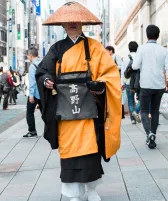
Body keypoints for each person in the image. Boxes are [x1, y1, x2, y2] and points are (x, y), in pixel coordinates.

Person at [35, 2, 121, 201]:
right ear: (63, 25)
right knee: (70, 152)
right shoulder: (56, 49)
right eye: (69, 21)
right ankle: (72, 193)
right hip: (66, 111)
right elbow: (42, 71)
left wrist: (99, 85)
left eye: (76, 21)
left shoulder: (95, 47)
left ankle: (92, 190)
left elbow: (110, 74)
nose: (73, 24)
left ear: (82, 23)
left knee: (91, 151)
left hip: (88, 108)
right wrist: (47, 81)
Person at [132, 24, 168, 149]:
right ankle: (153, 135)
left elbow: (135, 66)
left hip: (145, 84)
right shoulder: (163, 50)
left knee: (144, 110)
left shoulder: (142, 49)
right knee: (155, 111)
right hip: (159, 85)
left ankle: (149, 134)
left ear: (146, 35)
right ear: (158, 36)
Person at [23, 47, 41, 138]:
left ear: (30, 55)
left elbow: (32, 82)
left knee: (29, 112)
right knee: (45, 113)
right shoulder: (43, 63)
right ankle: (51, 130)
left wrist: (31, 95)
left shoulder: (32, 66)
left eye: (28, 56)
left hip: (35, 94)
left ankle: (32, 131)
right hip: (44, 93)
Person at [121, 41, 141, 124]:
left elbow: (123, 71)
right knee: (141, 99)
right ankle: (136, 111)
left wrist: (122, 83)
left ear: (129, 48)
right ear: (137, 48)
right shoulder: (139, 57)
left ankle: (132, 119)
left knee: (130, 101)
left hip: (128, 82)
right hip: (139, 81)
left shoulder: (125, 58)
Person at [105, 45, 125, 119]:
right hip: (112, 80)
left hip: (117, 79)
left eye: (106, 51)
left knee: (119, 96)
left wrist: (112, 67)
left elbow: (121, 66)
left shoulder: (116, 57)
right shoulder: (108, 58)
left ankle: (121, 114)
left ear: (110, 51)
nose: (105, 52)